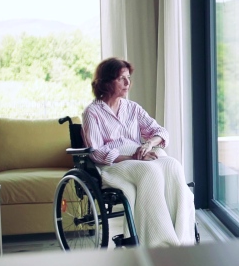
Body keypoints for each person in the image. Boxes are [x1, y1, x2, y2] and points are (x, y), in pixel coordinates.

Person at [81, 57, 195, 247]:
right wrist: (131, 156)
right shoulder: (92, 113)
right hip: (112, 165)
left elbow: (160, 132)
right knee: (149, 171)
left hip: (138, 157)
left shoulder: (132, 108)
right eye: (121, 79)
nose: (128, 83)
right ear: (106, 82)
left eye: (128, 78)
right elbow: (96, 152)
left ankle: (182, 239)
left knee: (172, 165)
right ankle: (159, 243)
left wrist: (149, 144)